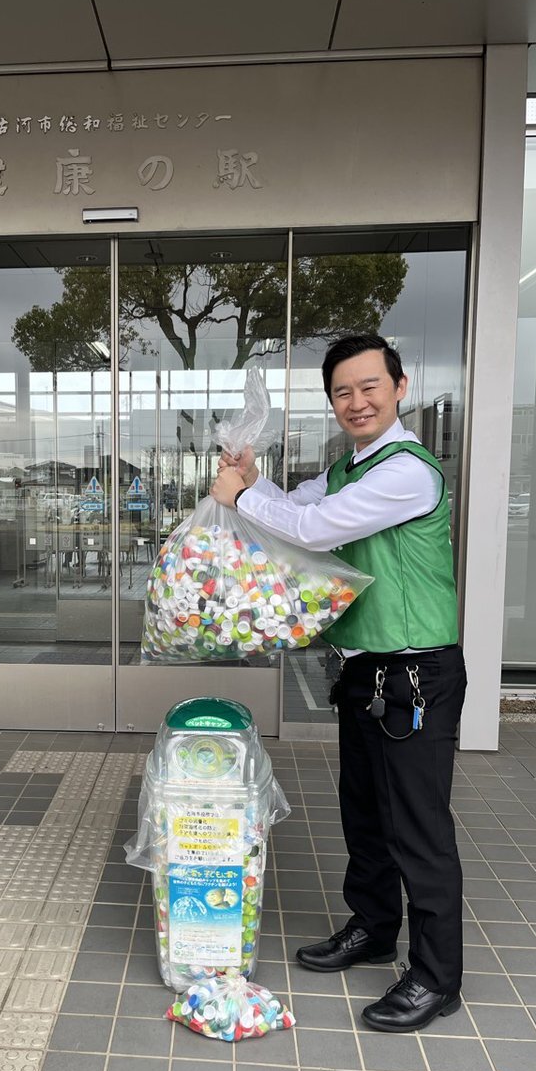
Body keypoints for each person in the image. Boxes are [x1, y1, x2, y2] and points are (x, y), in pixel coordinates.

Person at [211, 333, 467, 1033]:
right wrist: (251, 477)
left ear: (400, 388)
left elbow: (315, 529)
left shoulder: (407, 471)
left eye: (369, 386)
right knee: (366, 813)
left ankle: (437, 977)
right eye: (342, 392)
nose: (356, 401)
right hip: (366, 671)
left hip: (415, 674)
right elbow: (297, 504)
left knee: (418, 828)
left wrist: (242, 497)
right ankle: (375, 928)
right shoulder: (350, 467)